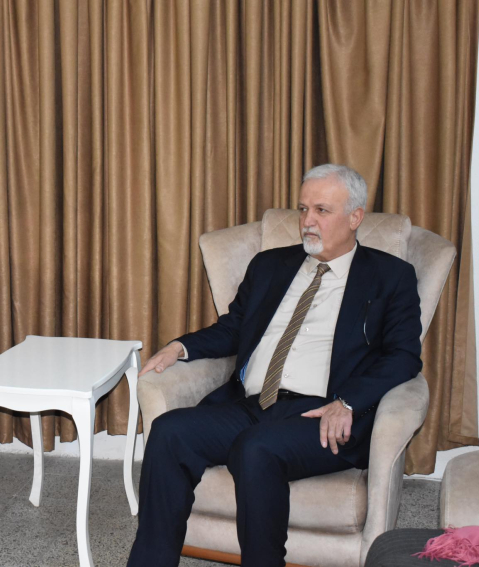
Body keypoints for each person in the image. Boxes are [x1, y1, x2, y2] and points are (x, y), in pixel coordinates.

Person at [127, 164, 423, 567]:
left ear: (355, 217)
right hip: (253, 404)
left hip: (321, 412)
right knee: (169, 431)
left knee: (256, 448)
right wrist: (180, 348)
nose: (307, 221)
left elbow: (404, 356)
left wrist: (349, 403)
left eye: (322, 210)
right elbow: (234, 328)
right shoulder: (270, 265)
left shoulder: (390, 276)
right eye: (303, 209)